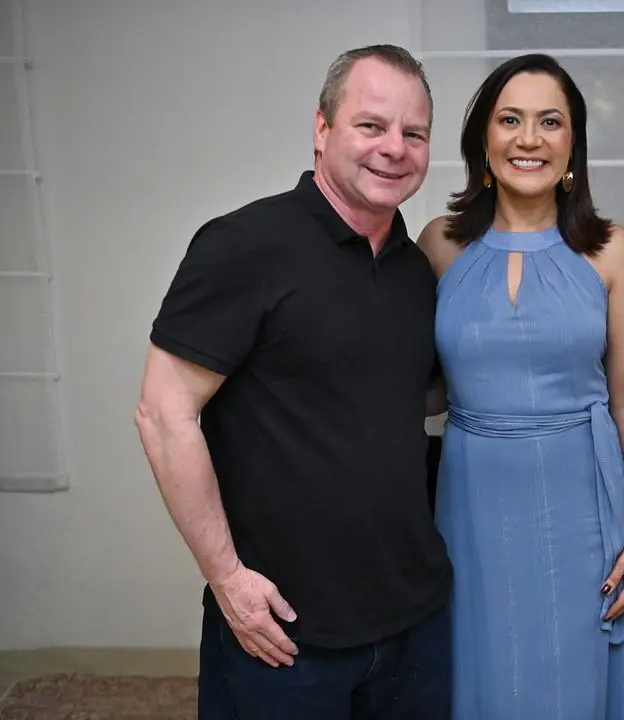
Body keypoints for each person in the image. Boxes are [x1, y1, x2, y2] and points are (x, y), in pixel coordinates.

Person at [134, 45, 452, 720]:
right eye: (371, 125)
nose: (394, 148)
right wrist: (228, 579)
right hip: (281, 631)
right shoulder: (243, 246)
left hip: (414, 621)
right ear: (321, 128)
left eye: (414, 133)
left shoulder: (415, 271)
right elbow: (163, 413)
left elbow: (407, 401)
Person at [416, 53, 624, 718]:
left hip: (581, 501)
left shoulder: (612, 250)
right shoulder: (438, 245)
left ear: (573, 143)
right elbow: (422, 383)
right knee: (481, 670)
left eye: (550, 121)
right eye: (511, 120)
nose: (530, 138)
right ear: (483, 140)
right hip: (469, 499)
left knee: (572, 678)